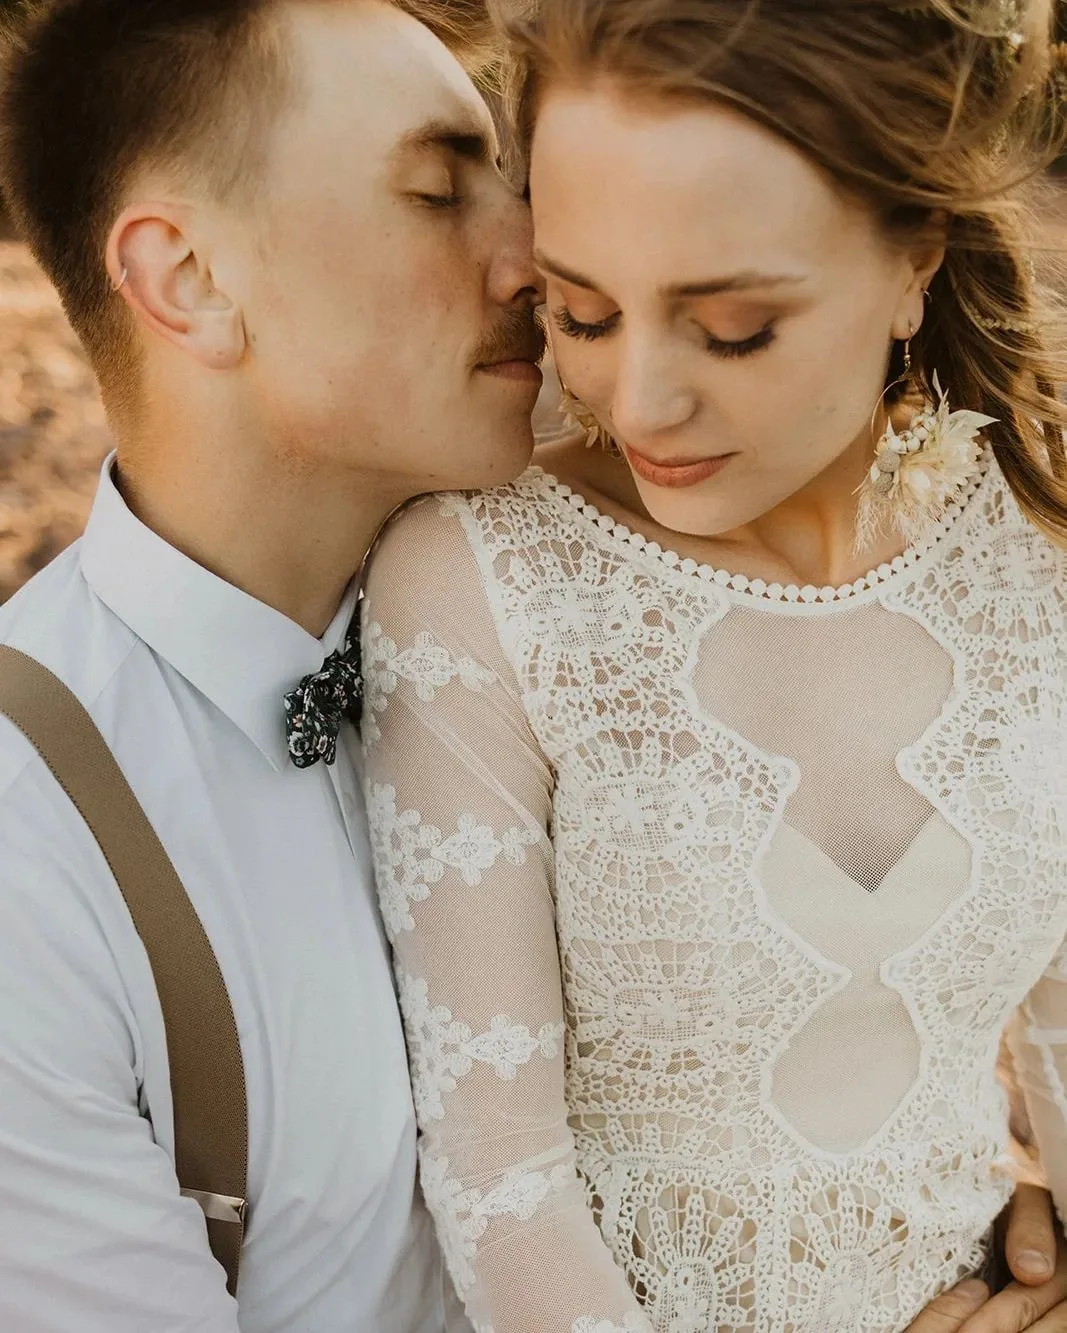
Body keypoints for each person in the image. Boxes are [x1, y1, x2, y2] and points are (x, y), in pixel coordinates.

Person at [360, 0, 1067, 1329]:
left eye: (732, 326)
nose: (636, 403)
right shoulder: (483, 586)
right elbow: (500, 1179)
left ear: (914, 256)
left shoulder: (1036, 543)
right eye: (580, 310)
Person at [0, 1, 544, 1329]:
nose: (533, 258)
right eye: (435, 193)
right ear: (188, 280)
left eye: (515, 189)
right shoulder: (28, 852)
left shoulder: (586, 634)